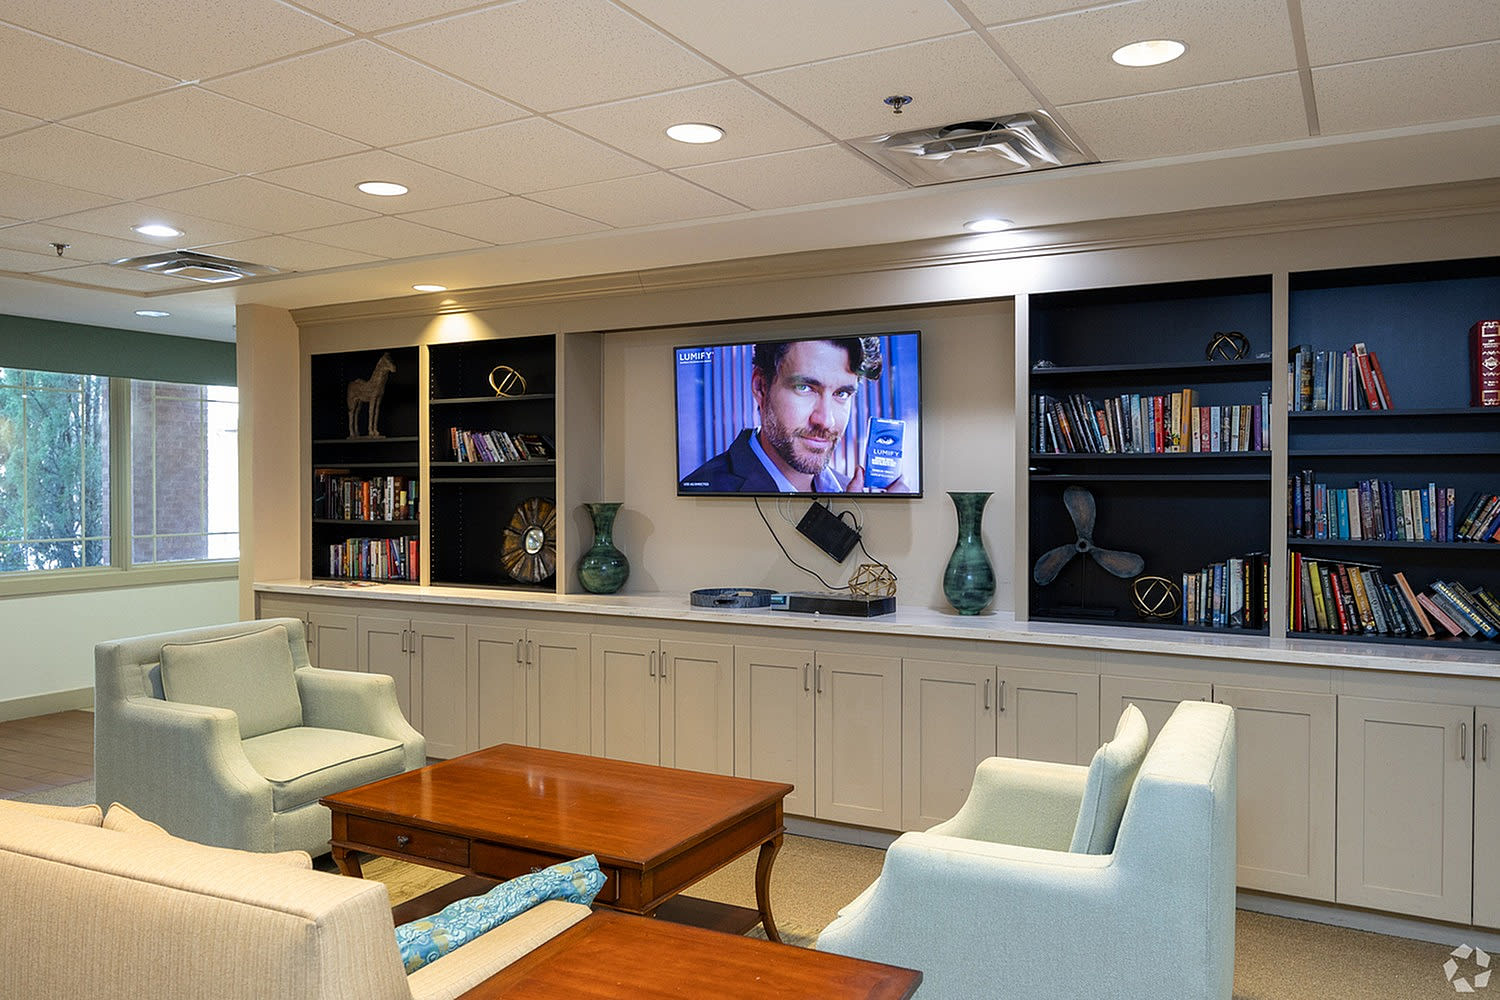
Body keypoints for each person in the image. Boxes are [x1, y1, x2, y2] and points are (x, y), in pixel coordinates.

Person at [681, 336, 907, 494]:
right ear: (761, 387)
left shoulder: (849, 492)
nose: (825, 420)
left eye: (842, 393)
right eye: (804, 388)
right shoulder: (701, 495)